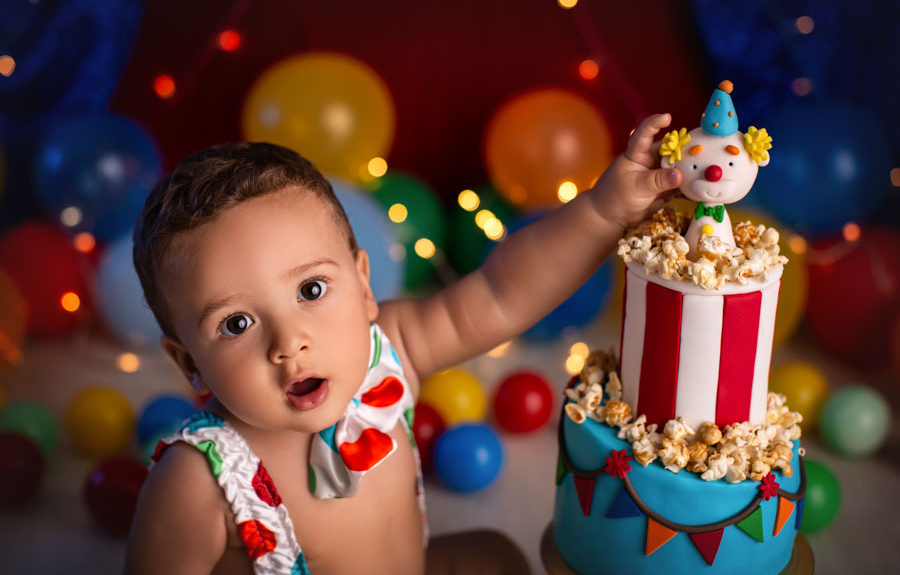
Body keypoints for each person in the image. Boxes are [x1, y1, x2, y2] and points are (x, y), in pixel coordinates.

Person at [125, 113, 683, 574]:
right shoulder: (198, 480)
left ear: (365, 286)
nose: (289, 341)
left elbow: (499, 293)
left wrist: (604, 211)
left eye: (311, 289)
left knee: (493, 557)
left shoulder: (387, 350)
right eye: (236, 324)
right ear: (189, 364)